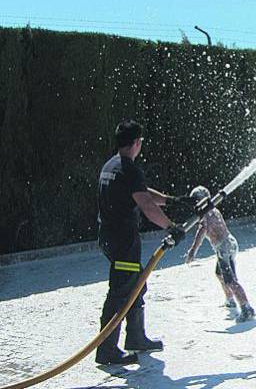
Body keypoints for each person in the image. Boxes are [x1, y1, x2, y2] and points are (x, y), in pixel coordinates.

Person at [96, 120, 186, 365]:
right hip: (123, 239)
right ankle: (106, 351)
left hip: (109, 237)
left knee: (135, 284)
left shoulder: (113, 165)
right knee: (121, 291)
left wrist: (171, 200)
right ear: (137, 142)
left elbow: (142, 192)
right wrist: (171, 227)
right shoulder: (129, 168)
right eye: (141, 141)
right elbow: (145, 205)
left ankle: (136, 338)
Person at [185, 186, 255, 323]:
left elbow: (202, 231)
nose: (194, 204)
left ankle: (247, 308)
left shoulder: (205, 214)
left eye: (195, 200)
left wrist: (193, 251)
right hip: (229, 243)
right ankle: (230, 300)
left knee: (230, 280)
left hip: (224, 247)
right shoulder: (213, 210)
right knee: (219, 273)